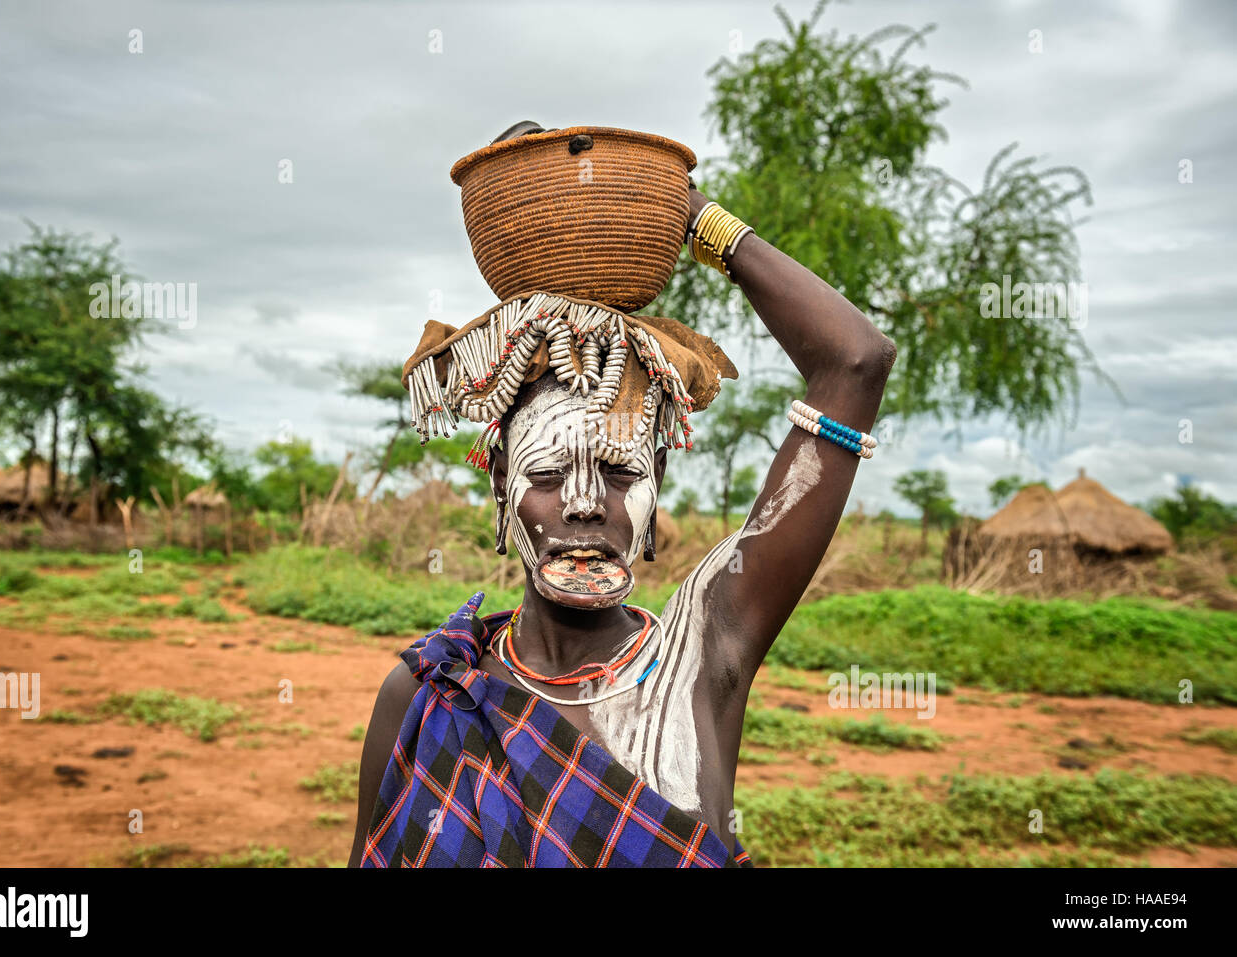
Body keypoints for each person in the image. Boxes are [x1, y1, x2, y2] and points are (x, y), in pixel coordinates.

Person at [349, 122, 895, 867]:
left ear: (658, 492)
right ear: (502, 492)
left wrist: (685, 212)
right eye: (544, 476)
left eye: (619, 472)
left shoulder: (706, 654)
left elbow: (856, 359)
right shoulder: (428, 695)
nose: (582, 502)